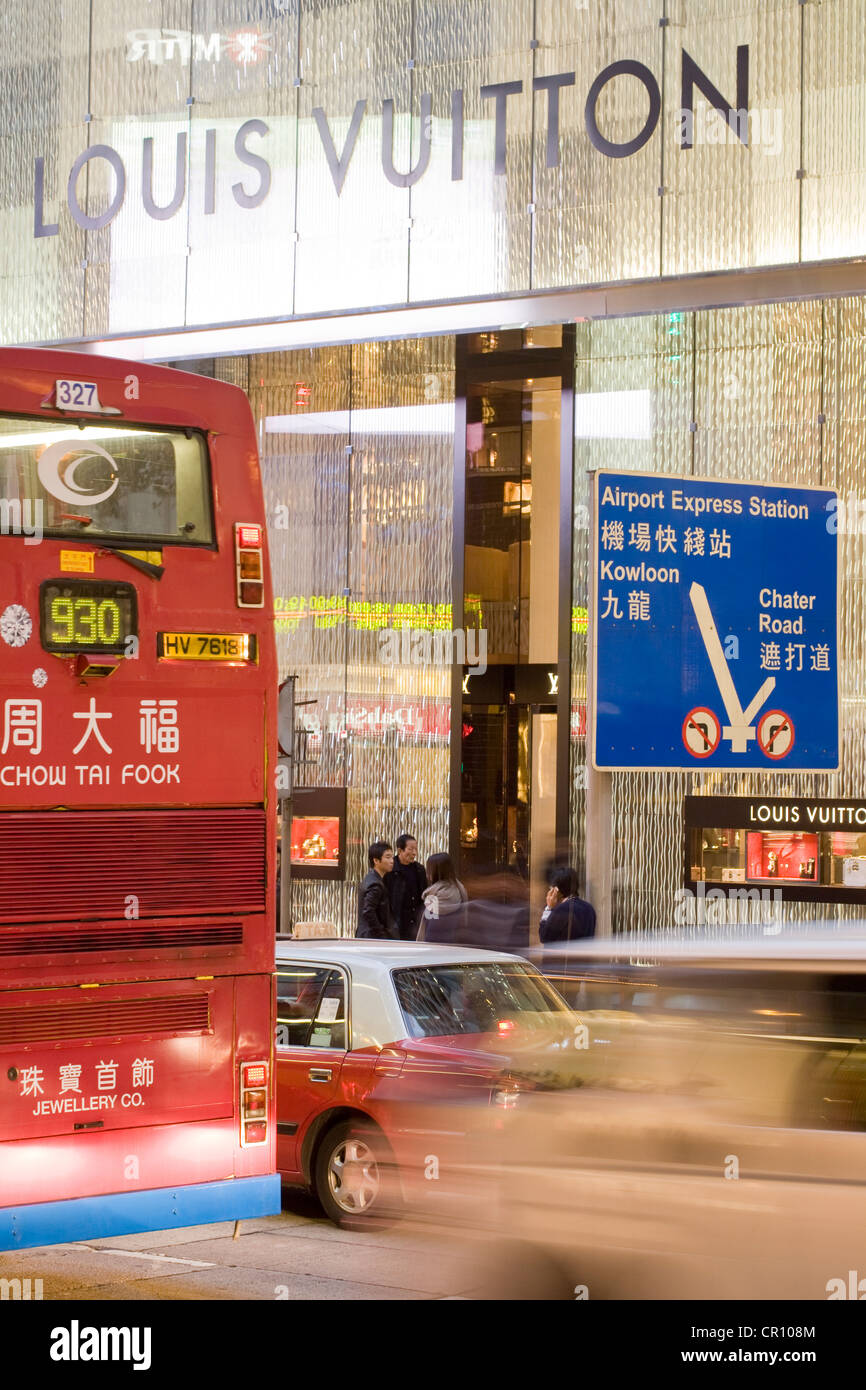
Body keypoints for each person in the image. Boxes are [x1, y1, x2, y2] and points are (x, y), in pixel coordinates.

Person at [417, 853, 468, 941]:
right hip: (455, 944)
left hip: (436, 948)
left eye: (429, 870)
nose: (427, 874)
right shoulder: (459, 889)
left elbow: (431, 931)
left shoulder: (434, 895)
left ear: (436, 871)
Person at [387, 833, 428, 941]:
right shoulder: (390, 869)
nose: (414, 853)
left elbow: (424, 895)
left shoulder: (419, 869)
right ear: (400, 850)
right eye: (410, 849)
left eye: (416, 849)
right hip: (396, 923)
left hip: (415, 923)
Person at [539, 866, 595, 945]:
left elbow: (544, 937)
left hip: (560, 956)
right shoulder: (589, 907)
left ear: (556, 890)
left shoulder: (562, 909)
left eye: (550, 888)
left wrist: (549, 908)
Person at [356, 841, 397, 938]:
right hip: (371, 936)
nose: (392, 861)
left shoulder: (371, 878)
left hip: (367, 934)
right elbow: (368, 911)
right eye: (387, 857)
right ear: (376, 861)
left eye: (392, 857)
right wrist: (380, 934)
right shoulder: (375, 884)